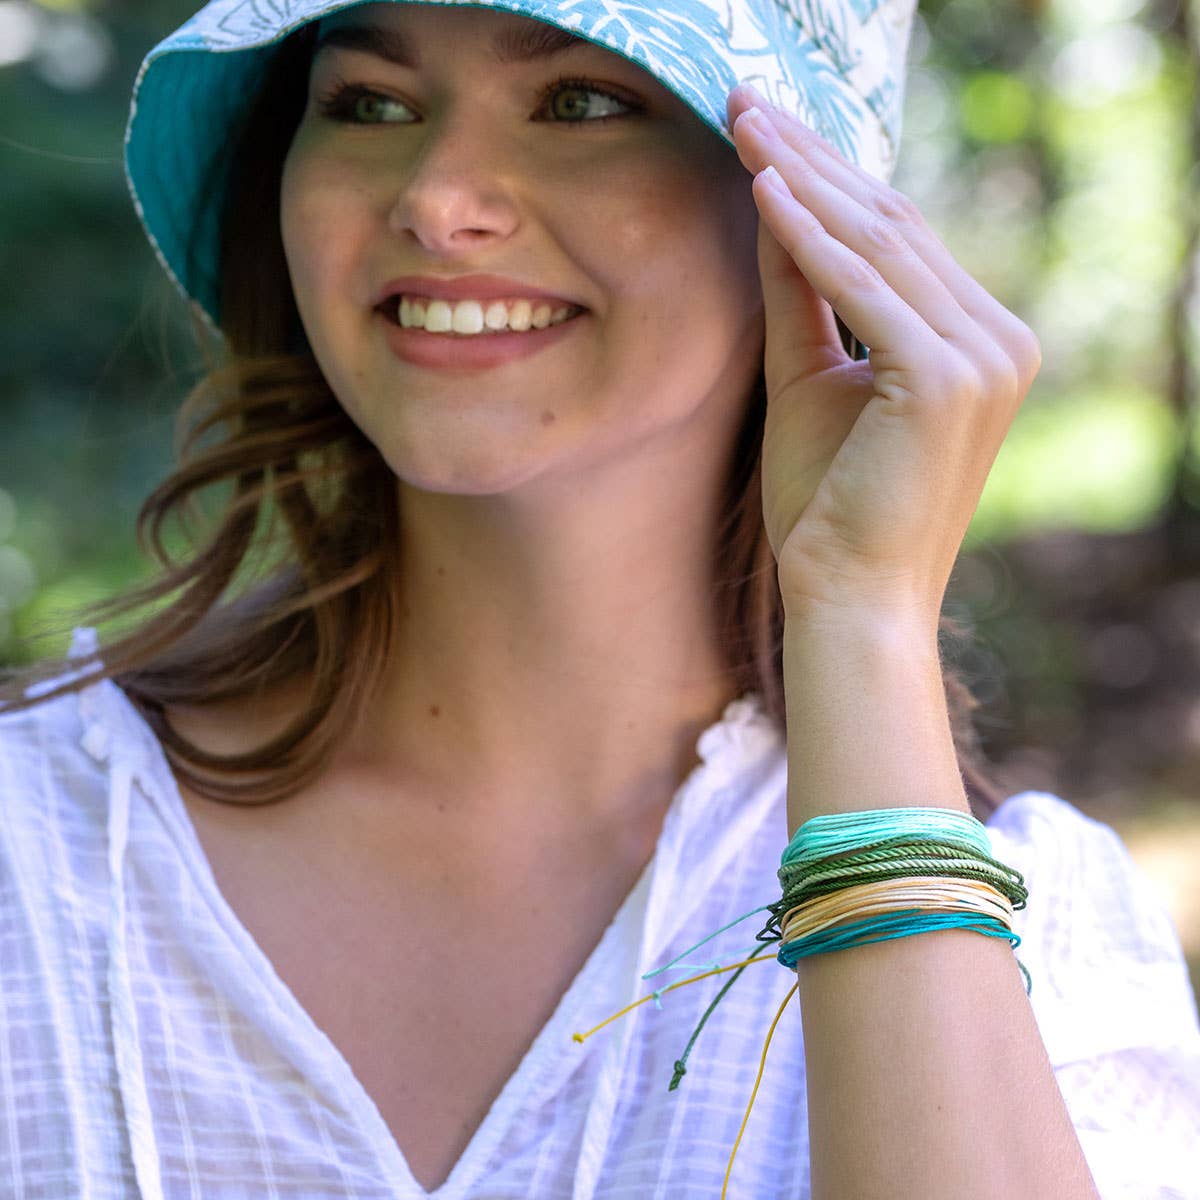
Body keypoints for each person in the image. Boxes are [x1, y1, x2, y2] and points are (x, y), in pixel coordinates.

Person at [2, 0, 1198, 1195]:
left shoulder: (1049, 945)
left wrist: (863, 611)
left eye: (580, 103)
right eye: (370, 103)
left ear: (807, 217)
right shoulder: (31, 840)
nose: (437, 199)